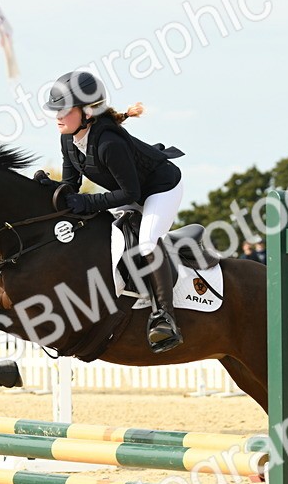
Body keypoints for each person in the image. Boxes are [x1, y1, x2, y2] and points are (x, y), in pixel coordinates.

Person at [39, 70, 186, 352]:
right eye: (56, 110)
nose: (58, 116)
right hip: (130, 191)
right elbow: (71, 186)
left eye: (65, 110)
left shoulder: (109, 143)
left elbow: (130, 194)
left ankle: (165, 318)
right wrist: (47, 188)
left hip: (160, 188)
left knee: (147, 242)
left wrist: (88, 202)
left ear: (88, 112)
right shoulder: (68, 139)